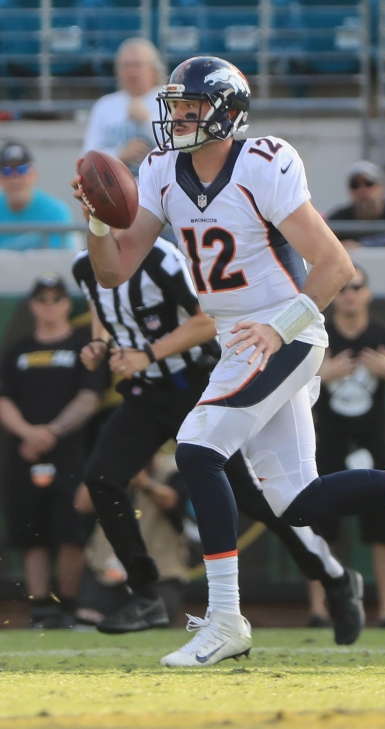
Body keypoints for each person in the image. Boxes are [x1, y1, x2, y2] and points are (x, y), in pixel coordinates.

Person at [73, 55, 385, 668]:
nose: (177, 117)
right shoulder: (159, 170)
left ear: (227, 112)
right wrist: (97, 217)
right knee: (297, 502)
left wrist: (279, 326)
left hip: (288, 328)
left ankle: (226, 619)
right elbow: (114, 268)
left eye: (190, 106)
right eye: (173, 105)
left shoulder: (262, 164)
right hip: (240, 338)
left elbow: (336, 265)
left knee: (199, 449)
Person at [72, 238, 365, 644]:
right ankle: (146, 593)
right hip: (146, 392)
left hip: (196, 383)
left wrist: (148, 353)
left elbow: (206, 320)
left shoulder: (160, 258)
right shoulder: (84, 266)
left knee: (253, 498)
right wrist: (100, 343)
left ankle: (333, 577)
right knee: (101, 477)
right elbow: (103, 313)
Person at [312, 264, 385, 628]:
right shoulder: (317, 335)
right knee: (316, 527)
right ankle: (319, 611)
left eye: (356, 286)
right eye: (342, 287)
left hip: (374, 442)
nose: (348, 294)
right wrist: (319, 377)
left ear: (368, 293)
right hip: (327, 442)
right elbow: (285, 390)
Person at [0, 274, 103, 628]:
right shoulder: (18, 350)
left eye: (56, 299)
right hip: (23, 453)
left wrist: (52, 432)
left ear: (65, 304)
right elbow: (4, 399)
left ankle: (69, 607)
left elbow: (90, 397)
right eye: (41, 299)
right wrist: (29, 433)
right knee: (31, 534)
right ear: (31, 305)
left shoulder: (82, 347)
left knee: (70, 531)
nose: (49, 306)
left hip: (71, 453)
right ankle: (41, 608)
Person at [75, 458, 190, 627]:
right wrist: (103, 468)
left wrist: (144, 483)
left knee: (157, 623)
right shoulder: (108, 466)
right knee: (87, 620)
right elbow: (82, 505)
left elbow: (172, 501)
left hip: (160, 575)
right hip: (108, 573)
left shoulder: (173, 471)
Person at [81, 38, 164, 177]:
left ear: (154, 70)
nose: (132, 72)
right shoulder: (105, 106)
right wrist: (120, 155)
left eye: (138, 65)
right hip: (116, 191)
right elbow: (87, 158)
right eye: (126, 65)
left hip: (160, 190)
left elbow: (181, 149)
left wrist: (148, 119)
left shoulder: (170, 100)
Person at [0, 142, 74, 251]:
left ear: (34, 173)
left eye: (22, 169)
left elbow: (60, 260)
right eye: (7, 171)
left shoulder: (56, 211)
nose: (15, 178)